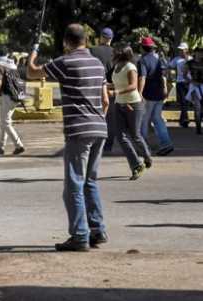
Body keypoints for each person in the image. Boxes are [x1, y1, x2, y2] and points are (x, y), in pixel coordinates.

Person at [27, 23, 109, 252]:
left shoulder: (65, 62)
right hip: (99, 127)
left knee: (73, 184)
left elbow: (32, 72)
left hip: (79, 130)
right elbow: (105, 100)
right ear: (86, 40)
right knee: (90, 182)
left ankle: (80, 236)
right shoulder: (98, 64)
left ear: (66, 42)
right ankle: (97, 229)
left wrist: (34, 50)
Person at [110, 45, 153, 180]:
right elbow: (116, 84)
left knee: (135, 134)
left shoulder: (130, 67)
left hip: (134, 104)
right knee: (120, 136)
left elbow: (133, 85)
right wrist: (104, 85)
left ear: (122, 54)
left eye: (115, 52)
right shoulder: (116, 67)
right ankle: (136, 165)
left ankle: (146, 155)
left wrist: (117, 92)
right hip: (119, 104)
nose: (113, 53)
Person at [137, 36, 173, 156]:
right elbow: (164, 76)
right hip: (159, 95)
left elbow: (142, 78)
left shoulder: (142, 60)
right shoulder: (159, 59)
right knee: (158, 119)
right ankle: (166, 143)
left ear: (143, 48)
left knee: (144, 120)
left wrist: (139, 93)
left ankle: (144, 147)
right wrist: (165, 90)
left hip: (148, 95)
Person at [0, 54, 25, 155]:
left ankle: (19, 145)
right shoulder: (12, 64)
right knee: (4, 122)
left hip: (7, 97)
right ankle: (0, 147)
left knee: (5, 123)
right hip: (16, 97)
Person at [90, 27, 116, 152]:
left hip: (96, 87)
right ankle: (108, 145)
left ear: (101, 37)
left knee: (95, 115)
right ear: (111, 39)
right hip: (112, 88)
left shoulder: (92, 50)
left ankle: (95, 143)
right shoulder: (116, 52)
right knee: (110, 118)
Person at [169, 42, 191, 128]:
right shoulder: (176, 59)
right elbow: (169, 66)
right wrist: (170, 74)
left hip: (189, 83)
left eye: (182, 50)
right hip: (180, 83)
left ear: (186, 50)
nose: (181, 51)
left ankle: (184, 120)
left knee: (186, 102)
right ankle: (184, 120)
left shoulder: (190, 59)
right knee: (183, 102)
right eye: (180, 50)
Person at [184, 47, 203, 135]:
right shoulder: (189, 63)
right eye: (198, 53)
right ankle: (198, 127)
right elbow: (184, 75)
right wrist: (191, 81)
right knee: (197, 108)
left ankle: (199, 122)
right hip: (194, 87)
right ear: (195, 53)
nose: (200, 54)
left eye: (201, 53)